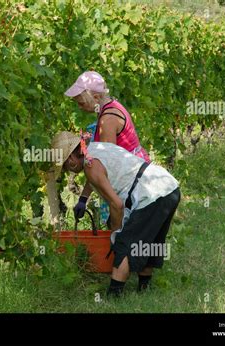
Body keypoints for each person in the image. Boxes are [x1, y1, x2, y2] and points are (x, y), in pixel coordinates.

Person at [50, 131, 180, 296]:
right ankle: (144, 291)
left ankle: (114, 296)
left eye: (65, 166)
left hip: (151, 194)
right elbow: (98, 176)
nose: (67, 170)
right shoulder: (95, 149)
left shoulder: (90, 167)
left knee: (124, 245)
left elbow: (116, 205)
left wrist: (116, 234)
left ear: (71, 160)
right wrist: (83, 199)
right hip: (168, 188)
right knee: (149, 242)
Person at [64, 71, 150, 224]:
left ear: (96, 97)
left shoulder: (108, 120)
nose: (80, 107)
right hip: (133, 178)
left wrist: (115, 214)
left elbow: (105, 169)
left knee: (125, 236)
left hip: (133, 184)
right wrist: (84, 198)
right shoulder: (108, 110)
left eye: (81, 103)